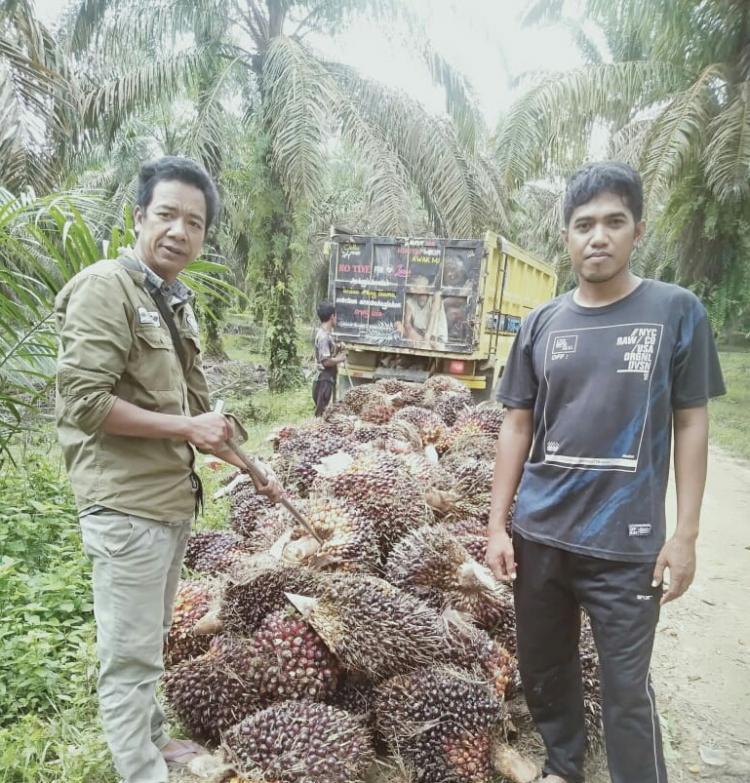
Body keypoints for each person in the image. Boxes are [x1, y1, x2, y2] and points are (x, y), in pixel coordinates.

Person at [486, 161, 725, 783]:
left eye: (614, 222)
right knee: (544, 671)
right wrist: (496, 527)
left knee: (625, 691)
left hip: (628, 548)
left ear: (637, 230)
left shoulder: (676, 311)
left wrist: (687, 533)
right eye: (584, 224)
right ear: (566, 235)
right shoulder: (540, 324)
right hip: (541, 537)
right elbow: (516, 425)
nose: (598, 237)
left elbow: (692, 422)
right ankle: (564, 765)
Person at [55, 156, 283, 783]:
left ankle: (152, 739)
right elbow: (84, 402)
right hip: (125, 504)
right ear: (139, 218)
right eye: (167, 216)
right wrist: (187, 429)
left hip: (168, 501)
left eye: (195, 222)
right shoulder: (109, 287)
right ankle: (139, 770)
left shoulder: (171, 301)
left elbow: (201, 411)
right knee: (128, 655)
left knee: (151, 636)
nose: (180, 231)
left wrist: (252, 465)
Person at [313, 301, 346, 416]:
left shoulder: (326, 335)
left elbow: (328, 352)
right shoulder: (323, 337)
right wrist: (340, 359)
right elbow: (326, 361)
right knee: (322, 415)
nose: (336, 318)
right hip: (324, 380)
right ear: (332, 317)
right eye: (335, 316)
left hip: (327, 379)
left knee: (326, 413)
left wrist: (337, 347)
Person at [404, 276, 449, 347]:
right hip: (419, 335)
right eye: (411, 286)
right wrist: (412, 333)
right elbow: (407, 324)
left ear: (425, 288)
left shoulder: (436, 297)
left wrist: (426, 338)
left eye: (415, 285)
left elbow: (433, 316)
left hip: (436, 338)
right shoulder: (410, 301)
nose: (411, 288)